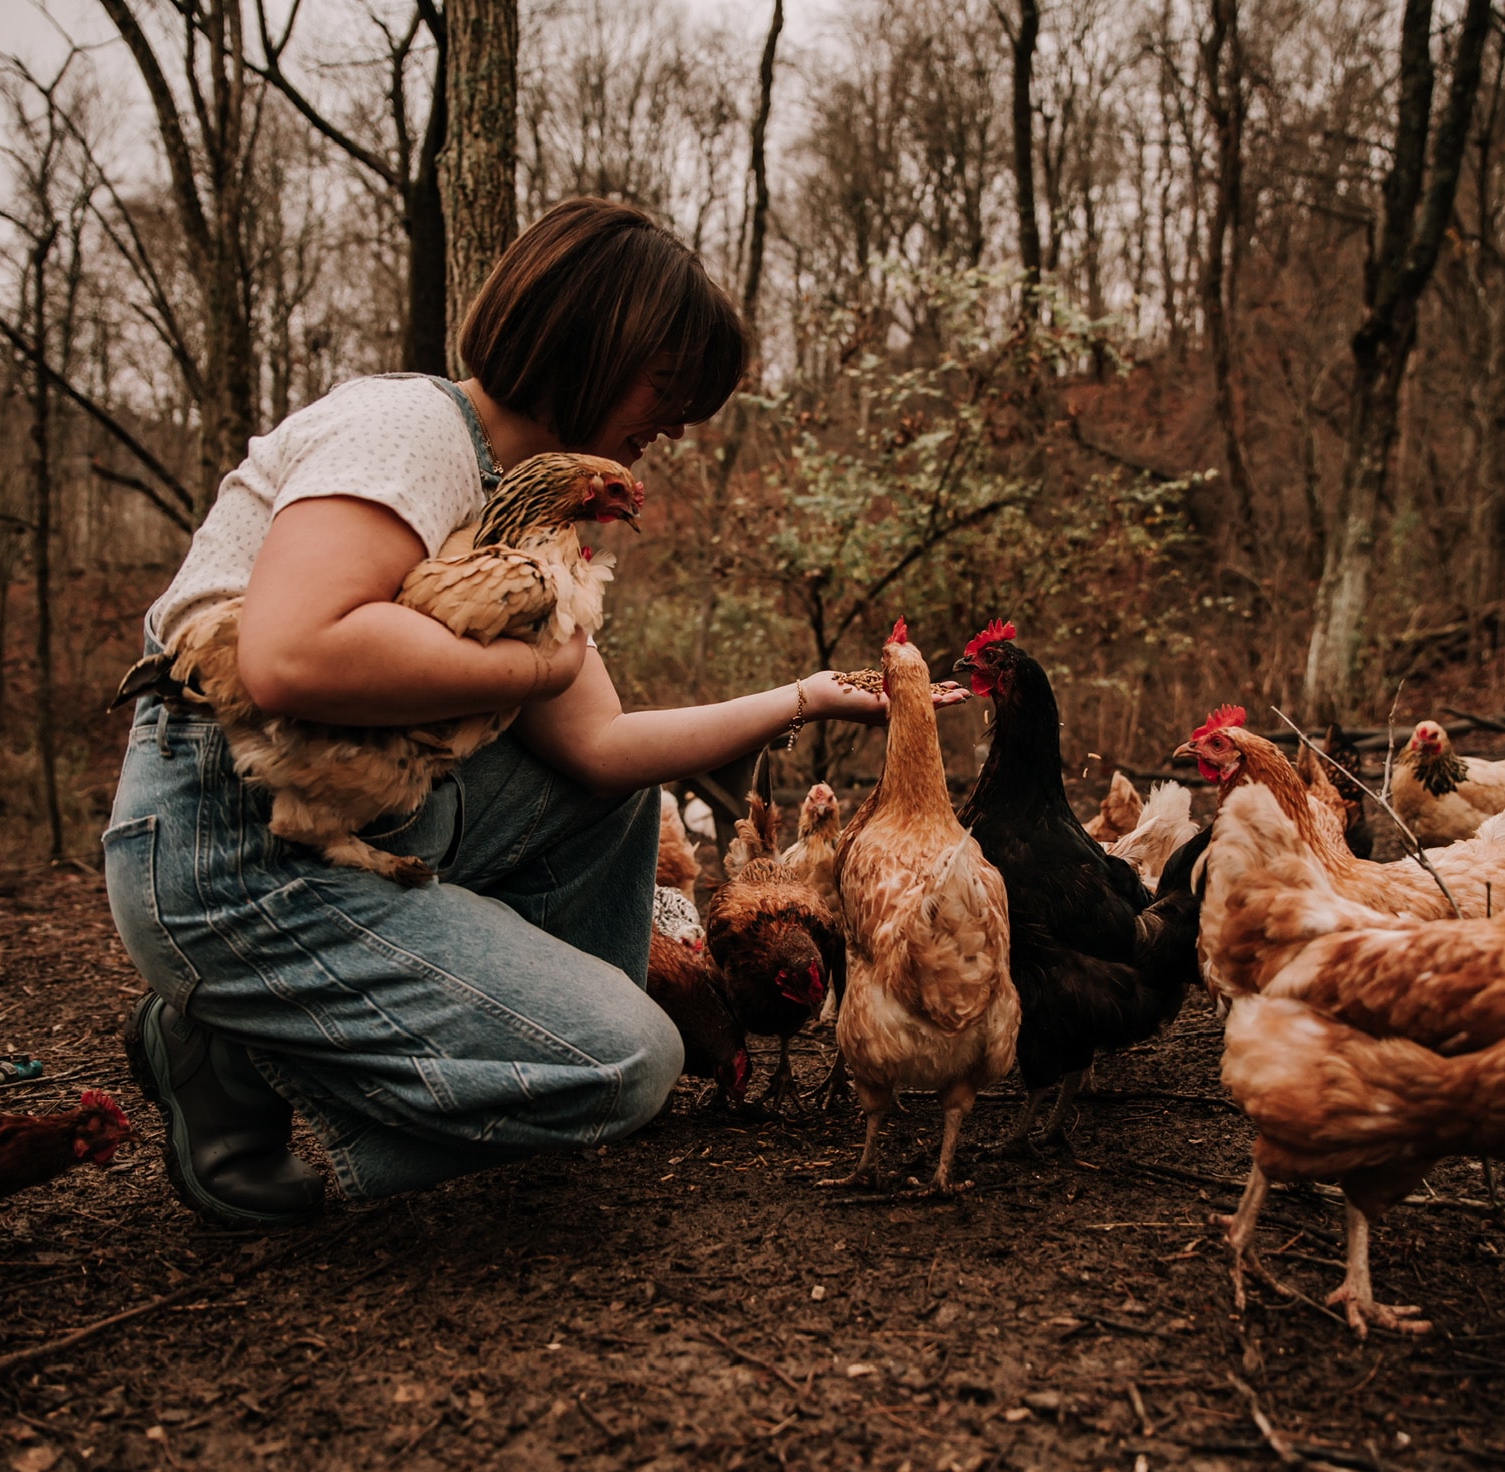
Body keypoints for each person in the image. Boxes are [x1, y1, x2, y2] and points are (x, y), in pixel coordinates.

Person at [104, 198, 931, 1225]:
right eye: (666, 386)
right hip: (229, 848)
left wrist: (803, 697)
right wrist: (535, 668)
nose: (676, 426)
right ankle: (239, 1051)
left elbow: (602, 748)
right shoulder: (409, 431)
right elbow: (289, 652)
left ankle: (476, 1017)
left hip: (356, 822)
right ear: (591, 344)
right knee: (624, 1065)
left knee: (616, 800)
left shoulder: (529, 505)